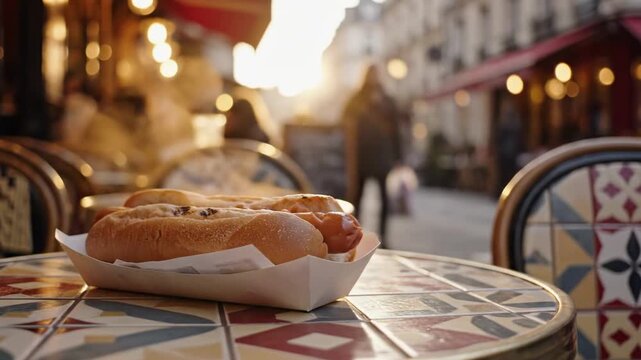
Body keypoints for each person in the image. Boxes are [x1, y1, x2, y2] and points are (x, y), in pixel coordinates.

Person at [341, 65, 402, 246]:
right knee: (357, 197)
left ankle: (384, 236)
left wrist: (398, 155)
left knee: (384, 198)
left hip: (382, 156)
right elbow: (345, 121)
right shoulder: (357, 99)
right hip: (361, 156)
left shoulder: (387, 100)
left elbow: (395, 129)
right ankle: (353, 235)